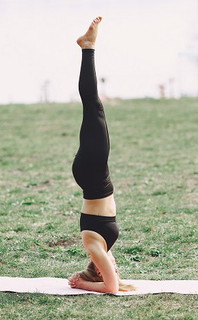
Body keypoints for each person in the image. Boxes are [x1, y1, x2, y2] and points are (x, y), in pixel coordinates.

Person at [67, 17, 135, 294]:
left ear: (98, 268)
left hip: (93, 175)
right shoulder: (99, 248)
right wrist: (118, 281)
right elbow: (118, 284)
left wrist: (82, 284)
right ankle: (88, 47)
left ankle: (87, 47)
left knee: (93, 106)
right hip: (94, 176)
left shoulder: (95, 247)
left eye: (110, 268)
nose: (115, 269)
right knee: (94, 108)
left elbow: (112, 289)